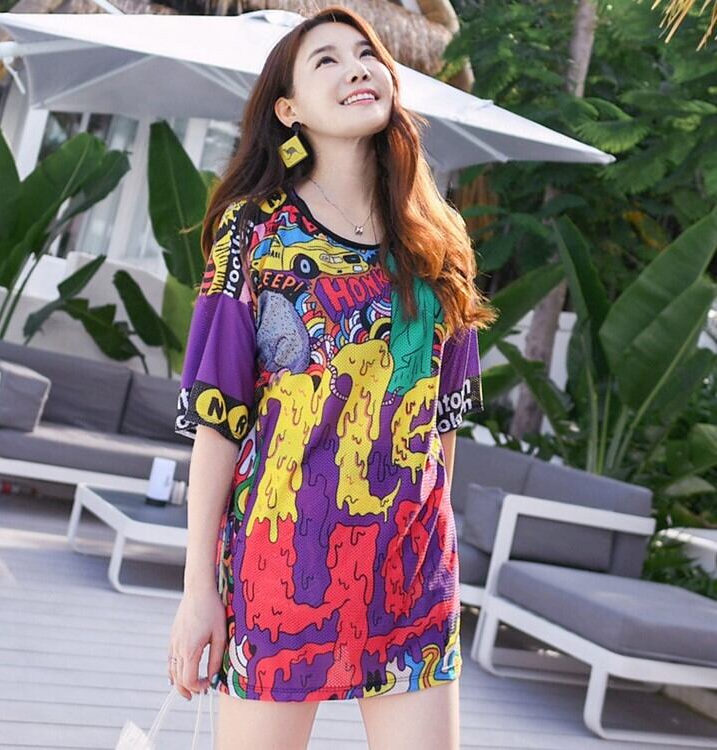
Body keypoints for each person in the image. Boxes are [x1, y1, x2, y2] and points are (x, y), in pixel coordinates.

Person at [169, 5, 497, 749]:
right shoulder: (255, 232)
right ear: (288, 110)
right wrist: (198, 593)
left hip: (411, 573)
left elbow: (440, 420)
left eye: (366, 54)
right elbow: (220, 421)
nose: (357, 69)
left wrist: (433, 543)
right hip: (284, 566)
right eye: (327, 61)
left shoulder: (436, 240)